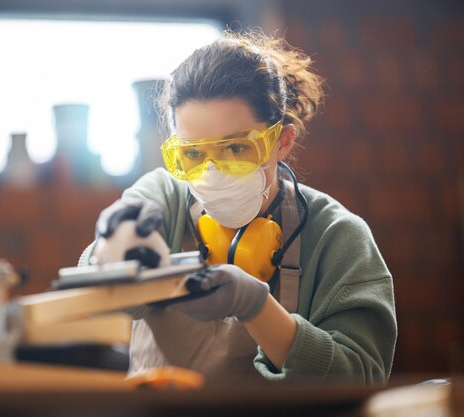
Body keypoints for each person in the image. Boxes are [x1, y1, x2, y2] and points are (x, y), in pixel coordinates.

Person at [78, 30, 397, 385]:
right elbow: (103, 298)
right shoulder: (161, 198)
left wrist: (256, 307)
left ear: (281, 142)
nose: (212, 174)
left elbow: (362, 377)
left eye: (235, 149)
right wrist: (107, 257)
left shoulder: (337, 237)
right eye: (194, 154)